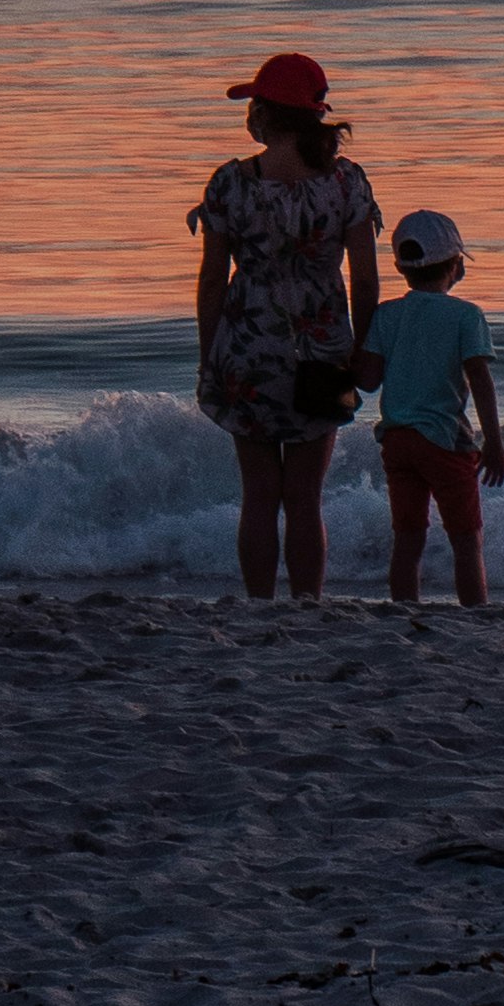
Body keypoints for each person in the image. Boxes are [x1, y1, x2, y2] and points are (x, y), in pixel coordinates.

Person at [190, 54, 379, 608]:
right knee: (305, 498)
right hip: (324, 349)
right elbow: (366, 281)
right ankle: (307, 602)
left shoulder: (229, 183)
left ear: (267, 116)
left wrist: (210, 358)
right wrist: (366, 350)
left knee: (258, 496)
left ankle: (257, 603)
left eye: (254, 104)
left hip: (245, 349)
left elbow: (211, 282)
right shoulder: (346, 183)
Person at [369, 207, 504, 611]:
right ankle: (475, 610)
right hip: (445, 441)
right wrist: (494, 442)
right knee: (466, 539)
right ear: (455, 266)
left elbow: (371, 375)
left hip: (396, 439)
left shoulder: (387, 315)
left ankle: (404, 609)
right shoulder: (466, 315)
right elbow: (480, 380)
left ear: (401, 267)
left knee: (408, 537)